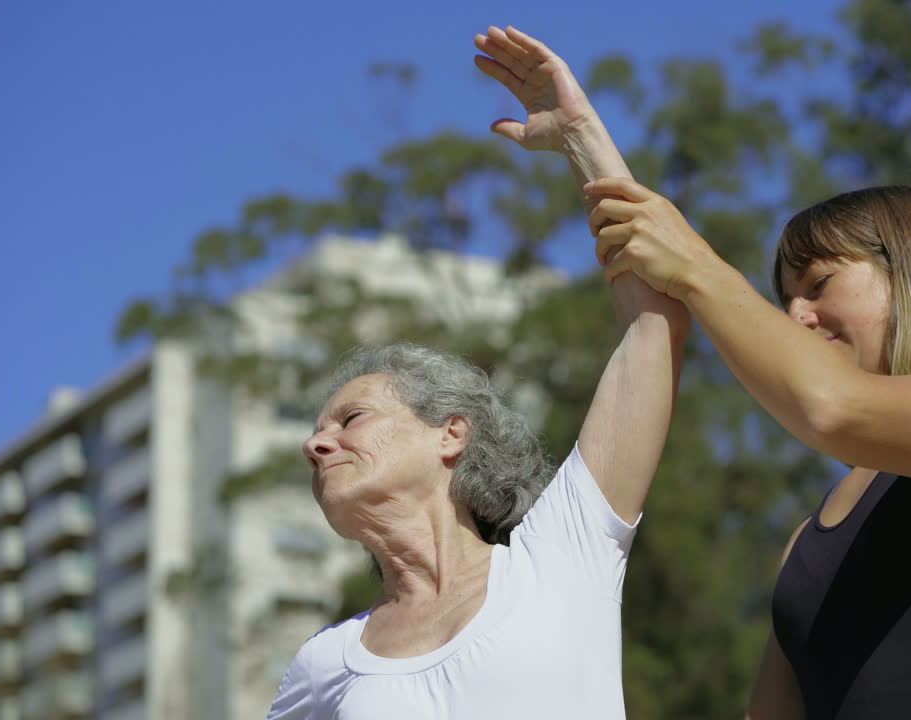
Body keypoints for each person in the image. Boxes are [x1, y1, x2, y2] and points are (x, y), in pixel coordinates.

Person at [469, 24, 911, 719]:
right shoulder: (808, 545)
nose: (797, 317)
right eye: (786, 299)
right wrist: (587, 147)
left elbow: (834, 410)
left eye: (817, 285)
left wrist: (697, 264)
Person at [264, 27, 689, 718]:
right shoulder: (323, 664)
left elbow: (654, 327)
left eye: (351, 419)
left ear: (450, 434)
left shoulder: (562, 556)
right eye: (316, 432)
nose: (316, 445)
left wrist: (584, 141)